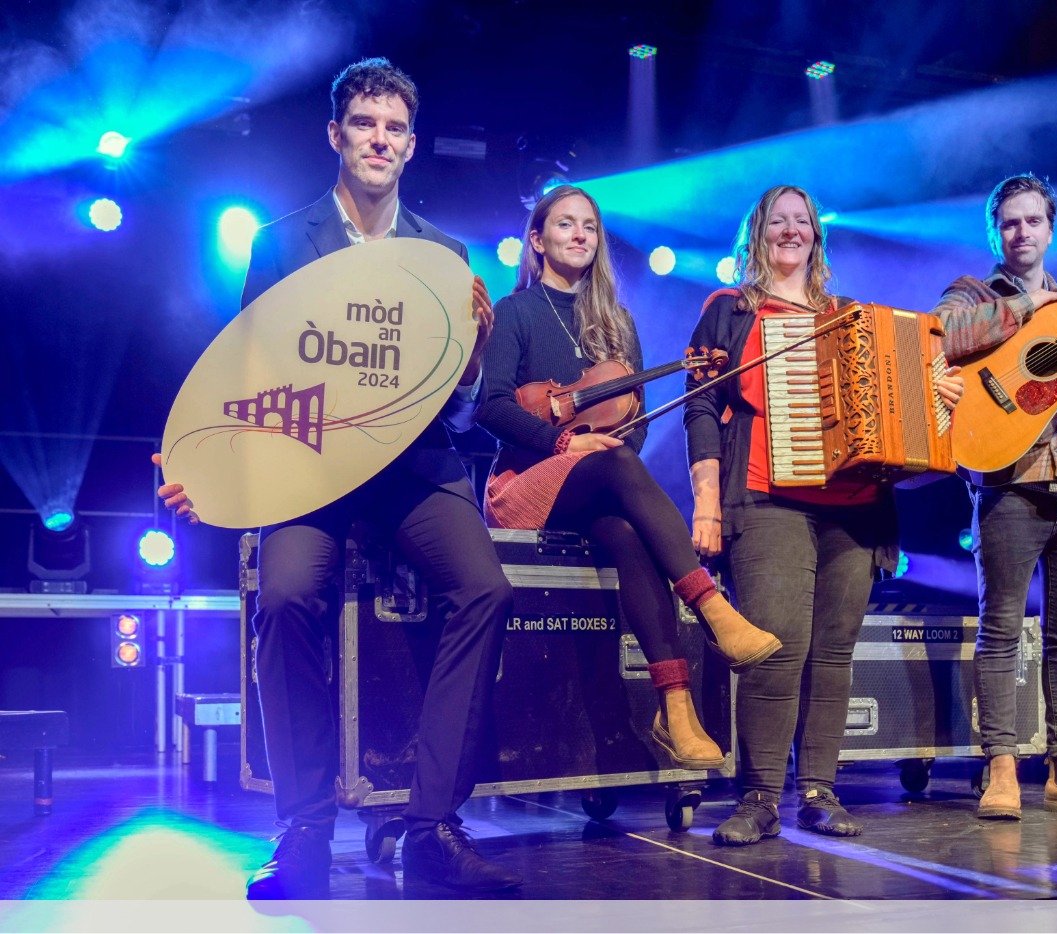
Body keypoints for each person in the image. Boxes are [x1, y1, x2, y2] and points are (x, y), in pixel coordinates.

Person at [155, 58, 521, 898]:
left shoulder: (445, 255)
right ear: (336, 135)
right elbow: (243, 380)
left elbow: (460, 414)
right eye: (365, 124)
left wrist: (467, 364)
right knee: (283, 599)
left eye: (394, 128)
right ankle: (305, 829)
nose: (379, 140)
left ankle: (432, 826)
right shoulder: (281, 243)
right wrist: (199, 467)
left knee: (487, 590)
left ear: (412, 144)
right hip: (309, 467)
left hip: (415, 466)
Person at [684, 185, 965, 846]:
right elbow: (699, 405)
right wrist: (704, 502)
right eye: (777, 220)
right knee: (775, 650)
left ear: (817, 236)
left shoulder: (850, 317)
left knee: (833, 655)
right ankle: (757, 798)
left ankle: (818, 790)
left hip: (856, 509)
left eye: (801, 221)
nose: (790, 230)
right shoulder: (728, 311)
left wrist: (938, 393)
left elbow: (903, 409)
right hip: (765, 497)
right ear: (757, 234)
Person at [476, 184, 781, 773]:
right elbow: (491, 407)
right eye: (565, 225)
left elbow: (634, 425)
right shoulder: (516, 312)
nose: (580, 235)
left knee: (625, 530)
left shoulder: (615, 324)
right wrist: (566, 440)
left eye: (589, 226)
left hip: (598, 486)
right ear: (536, 241)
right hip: (526, 482)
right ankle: (713, 609)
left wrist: (605, 446)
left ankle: (675, 707)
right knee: (614, 463)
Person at [932, 173, 1057, 821]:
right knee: (1000, 630)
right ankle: (1000, 768)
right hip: (1007, 483)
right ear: (996, 231)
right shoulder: (973, 291)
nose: (1022, 232)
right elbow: (939, 336)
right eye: (1010, 223)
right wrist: (1022, 310)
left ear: (1052, 229)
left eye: (1033, 221)